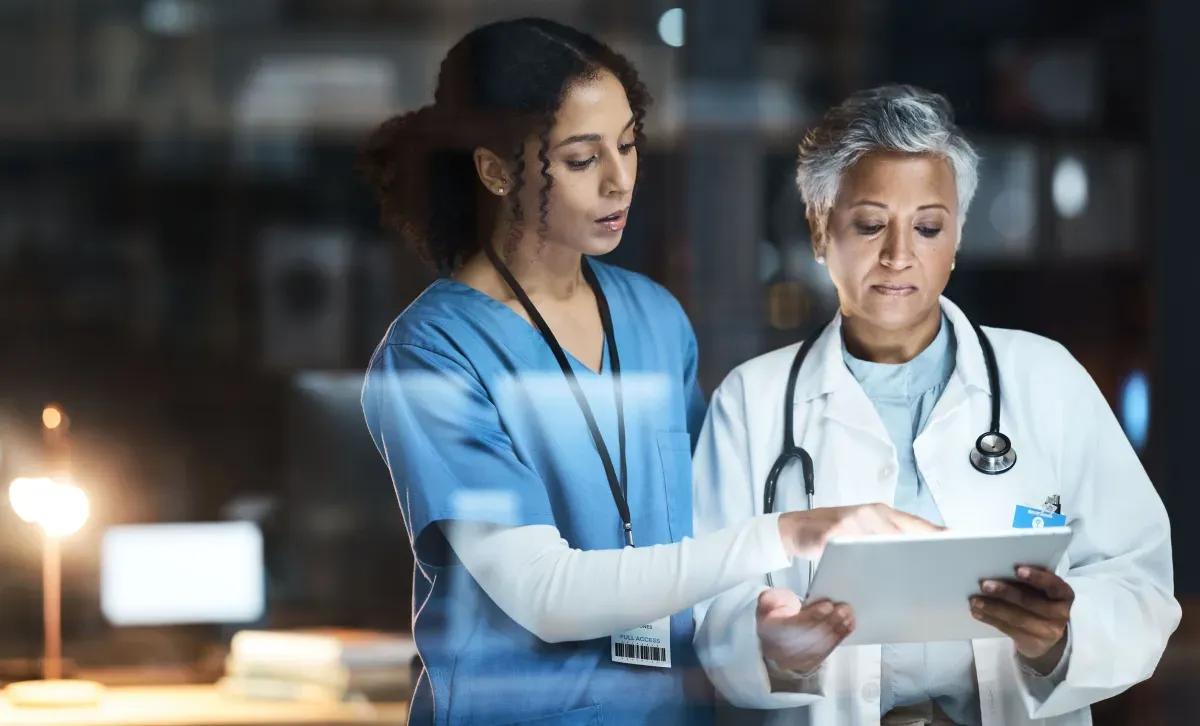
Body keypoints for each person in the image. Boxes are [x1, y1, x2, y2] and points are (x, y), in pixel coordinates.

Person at [358, 20, 936, 726]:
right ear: (496, 169)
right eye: (580, 158)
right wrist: (788, 532)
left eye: (628, 144)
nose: (619, 179)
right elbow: (545, 592)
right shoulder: (436, 350)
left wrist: (768, 630)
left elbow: (701, 541)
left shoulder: (654, 319)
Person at [691, 85, 1180, 725]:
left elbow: (1141, 582)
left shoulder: (1046, 379)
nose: (899, 255)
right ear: (819, 228)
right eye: (869, 225)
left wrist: (1059, 636)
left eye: (928, 227)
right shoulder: (751, 403)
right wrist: (771, 650)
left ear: (956, 238)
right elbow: (710, 611)